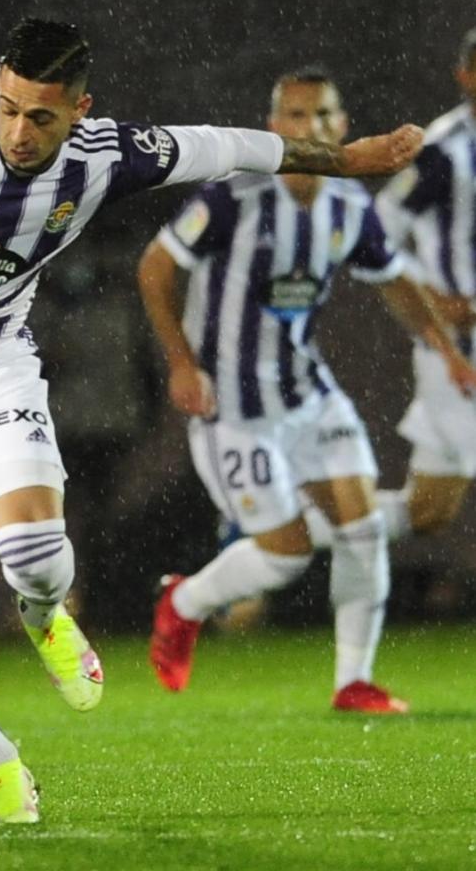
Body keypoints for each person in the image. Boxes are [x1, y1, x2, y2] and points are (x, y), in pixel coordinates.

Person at [0, 19, 424, 822]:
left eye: (43, 118)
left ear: (81, 110)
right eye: (10, 108)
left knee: (34, 559)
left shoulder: (111, 154)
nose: (20, 133)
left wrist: (351, 159)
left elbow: (234, 146)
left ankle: (43, 614)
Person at [136, 68, 476, 713]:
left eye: (321, 116)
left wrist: (444, 350)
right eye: (294, 116)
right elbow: (154, 271)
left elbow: (394, 279)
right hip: (231, 404)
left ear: (342, 126)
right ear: (273, 127)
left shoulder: (350, 207)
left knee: (364, 527)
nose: (309, 128)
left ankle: (354, 682)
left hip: (307, 391)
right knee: (285, 553)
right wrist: (181, 363)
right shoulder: (233, 197)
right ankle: (182, 603)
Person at [293, 28, 476, 555]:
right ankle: (277, 538)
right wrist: (437, 300)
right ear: (464, 76)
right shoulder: (445, 152)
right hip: (460, 347)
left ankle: (281, 536)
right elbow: (379, 229)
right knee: (431, 508)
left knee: (433, 509)